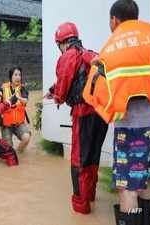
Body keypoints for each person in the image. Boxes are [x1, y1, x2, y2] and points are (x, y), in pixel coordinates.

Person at [83, 0, 150, 224]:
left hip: (130, 128)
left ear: (114, 20)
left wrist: (98, 65)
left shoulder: (112, 47)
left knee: (127, 188)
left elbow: (99, 89)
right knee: (143, 181)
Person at [45, 22, 108, 214]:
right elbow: (79, 79)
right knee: (93, 157)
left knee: (79, 160)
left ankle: (81, 208)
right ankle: (90, 195)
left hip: (83, 114)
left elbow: (64, 84)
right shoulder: (88, 53)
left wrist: (57, 97)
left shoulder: (68, 55)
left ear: (61, 42)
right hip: (101, 114)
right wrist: (52, 91)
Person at [0, 67, 31, 152]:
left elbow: (25, 100)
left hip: (18, 123)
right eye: (15, 75)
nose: (18, 77)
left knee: (26, 138)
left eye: (19, 75)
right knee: (8, 149)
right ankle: (12, 154)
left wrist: (18, 97)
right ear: (11, 77)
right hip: (6, 124)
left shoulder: (22, 89)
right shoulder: (3, 88)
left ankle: (19, 153)